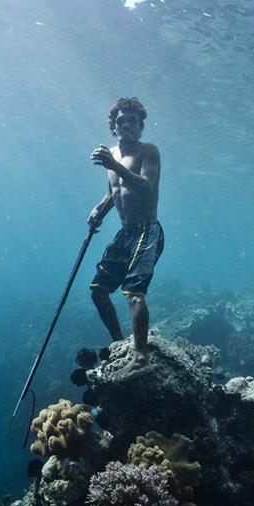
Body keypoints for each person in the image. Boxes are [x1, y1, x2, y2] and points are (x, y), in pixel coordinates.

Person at [87, 97, 164, 367]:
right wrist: (99, 210)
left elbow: (145, 187)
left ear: (141, 126)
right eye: (121, 121)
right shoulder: (113, 155)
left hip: (147, 230)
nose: (126, 125)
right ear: (113, 127)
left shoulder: (148, 151)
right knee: (98, 290)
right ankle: (119, 342)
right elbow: (114, 193)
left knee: (133, 292)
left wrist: (114, 165)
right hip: (125, 232)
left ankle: (140, 356)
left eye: (132, 121)